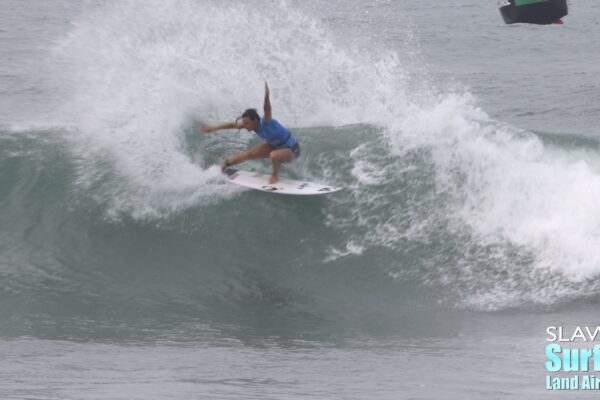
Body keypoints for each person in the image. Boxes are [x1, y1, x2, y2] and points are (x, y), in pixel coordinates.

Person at [200, 82, 300, 184]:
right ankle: (227, 164)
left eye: (247, 123)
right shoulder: (252, 125)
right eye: (244, 123)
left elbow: (267, 110)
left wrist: (266, 97)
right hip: (275, 146)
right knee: (249, 154)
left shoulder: (266, 123)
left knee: (273, 155)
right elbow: (232, 125)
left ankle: (274, 175)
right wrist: (213, 128)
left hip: (292, 149)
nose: (244, 125)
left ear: (255, 121)